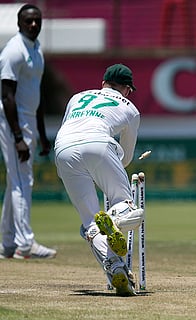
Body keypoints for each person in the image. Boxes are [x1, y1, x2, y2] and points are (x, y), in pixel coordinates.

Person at [54, 63, 144, 296]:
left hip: (63, 149)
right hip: (99, 143)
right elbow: (126, 157)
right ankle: (115, 218)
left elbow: (68, 128)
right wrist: (107, 167)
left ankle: (116, 269)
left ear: (103, 84)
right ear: (127, 90)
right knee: (129, 208)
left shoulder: (77, 97)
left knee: (90, 225)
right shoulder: (130, 108)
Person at [0, 4, 56, 259]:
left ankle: (9, 243)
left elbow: (37, 95)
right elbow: (7, 96)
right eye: (28, 21)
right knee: (23, 180)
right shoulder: (14, 51)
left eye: (37, 20)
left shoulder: (36, 50)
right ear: (19, 23)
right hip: (13, 122)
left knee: (16, 179)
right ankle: (25, 243)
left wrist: (42, 134)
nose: (33, 25)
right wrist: (18, 137)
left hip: (29, 121)